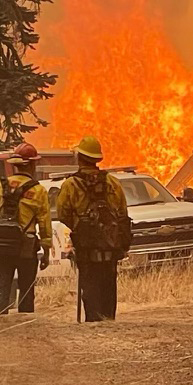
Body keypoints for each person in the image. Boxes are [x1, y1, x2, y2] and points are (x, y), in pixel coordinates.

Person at [57, 136, 130, 322]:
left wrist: (80, 228)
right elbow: (122, 213)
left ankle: (94, 323)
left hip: (87, 249)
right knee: (108, 287)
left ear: (80, 158)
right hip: (110, 248)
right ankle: (109, 321)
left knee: (90, 289)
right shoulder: (113, 183)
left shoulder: (70, 185)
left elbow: (63, 214)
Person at [0, 143, 52, 315]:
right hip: (27, 246)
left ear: (15, 165)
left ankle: (0, 327)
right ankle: (25, 328)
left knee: (2, 287)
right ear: (32, 165)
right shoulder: (38, 191)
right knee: (26, 290)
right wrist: (46, 252)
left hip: (2, 246)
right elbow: (45, 224)